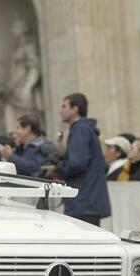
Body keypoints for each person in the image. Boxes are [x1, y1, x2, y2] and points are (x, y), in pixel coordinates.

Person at [45, 93, 110, 226]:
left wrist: (57, 167)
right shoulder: (85, 129)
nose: (60, 111)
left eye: (64, 106)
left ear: (75, 109)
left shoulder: (80, 129)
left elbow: (77, 163)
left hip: (82, 199)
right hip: (88, 199)